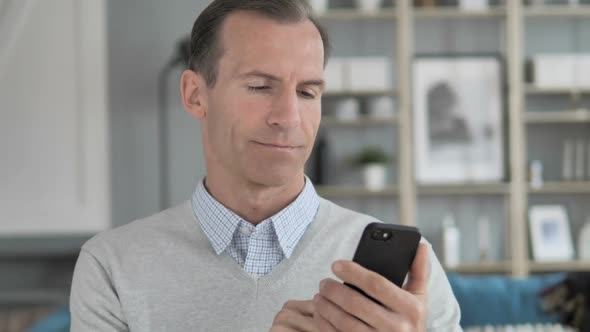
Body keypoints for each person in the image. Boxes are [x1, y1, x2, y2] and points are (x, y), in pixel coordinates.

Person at [70, 1, 462, 331]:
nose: (289, 117)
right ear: (194, 95)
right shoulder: (111, 268)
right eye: (260, 87)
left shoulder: (408, 276)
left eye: (308, 92)